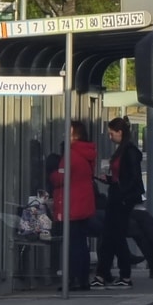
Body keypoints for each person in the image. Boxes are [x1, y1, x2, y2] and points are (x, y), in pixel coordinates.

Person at [92, 117, 146, 289]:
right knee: (112, 236)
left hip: (121, 199)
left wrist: (121, 193)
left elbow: (133, 178)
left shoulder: (129, 152)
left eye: (111, 133)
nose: (110, 137)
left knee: (113, 236)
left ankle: (116, 275)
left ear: (120, 132)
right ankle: (106, 274)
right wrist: (110, 180)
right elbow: (123, 177)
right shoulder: (124, 151)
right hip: (118, 197)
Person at [50, 120, 97, 292]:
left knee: (72, 244)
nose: (64, 135)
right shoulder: (86, 153)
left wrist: (53, 174)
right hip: (83, 203)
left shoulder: (71, 155)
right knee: (81, 243)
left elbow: (61, 178)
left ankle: (74, 279)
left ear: (75, 135)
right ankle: (82, 279)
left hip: (72, 204)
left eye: (67, 133)